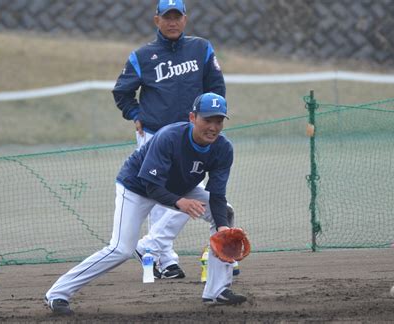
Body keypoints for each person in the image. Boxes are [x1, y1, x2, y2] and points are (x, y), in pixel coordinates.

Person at [45, 93, 247, 315]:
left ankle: (218, 290)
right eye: (207, 120)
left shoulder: (223, 148)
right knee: (121, 249)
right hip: (137, 186)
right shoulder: (169, 137)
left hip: (178, 186)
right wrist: (180, 202)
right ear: (192, 117)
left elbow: (216, 195)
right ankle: (58, 294)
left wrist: (222, 229)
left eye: (218, 121)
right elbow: (151, 186)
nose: (213, 127)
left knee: (224, 214)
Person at [112, 0, 232, 279]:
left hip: (193, 138)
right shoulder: (143, 56)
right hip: (155, 135)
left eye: (177, 16)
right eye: (167, 16)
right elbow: (121, 92)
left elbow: (216, 87)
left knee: (189, 197)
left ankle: (152, 248)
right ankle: (164, 260)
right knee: (157, 196)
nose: (172, 21)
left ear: (185, 19)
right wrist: (134, 113)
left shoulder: (201, 48)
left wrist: (213, 121)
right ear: (157, 21)